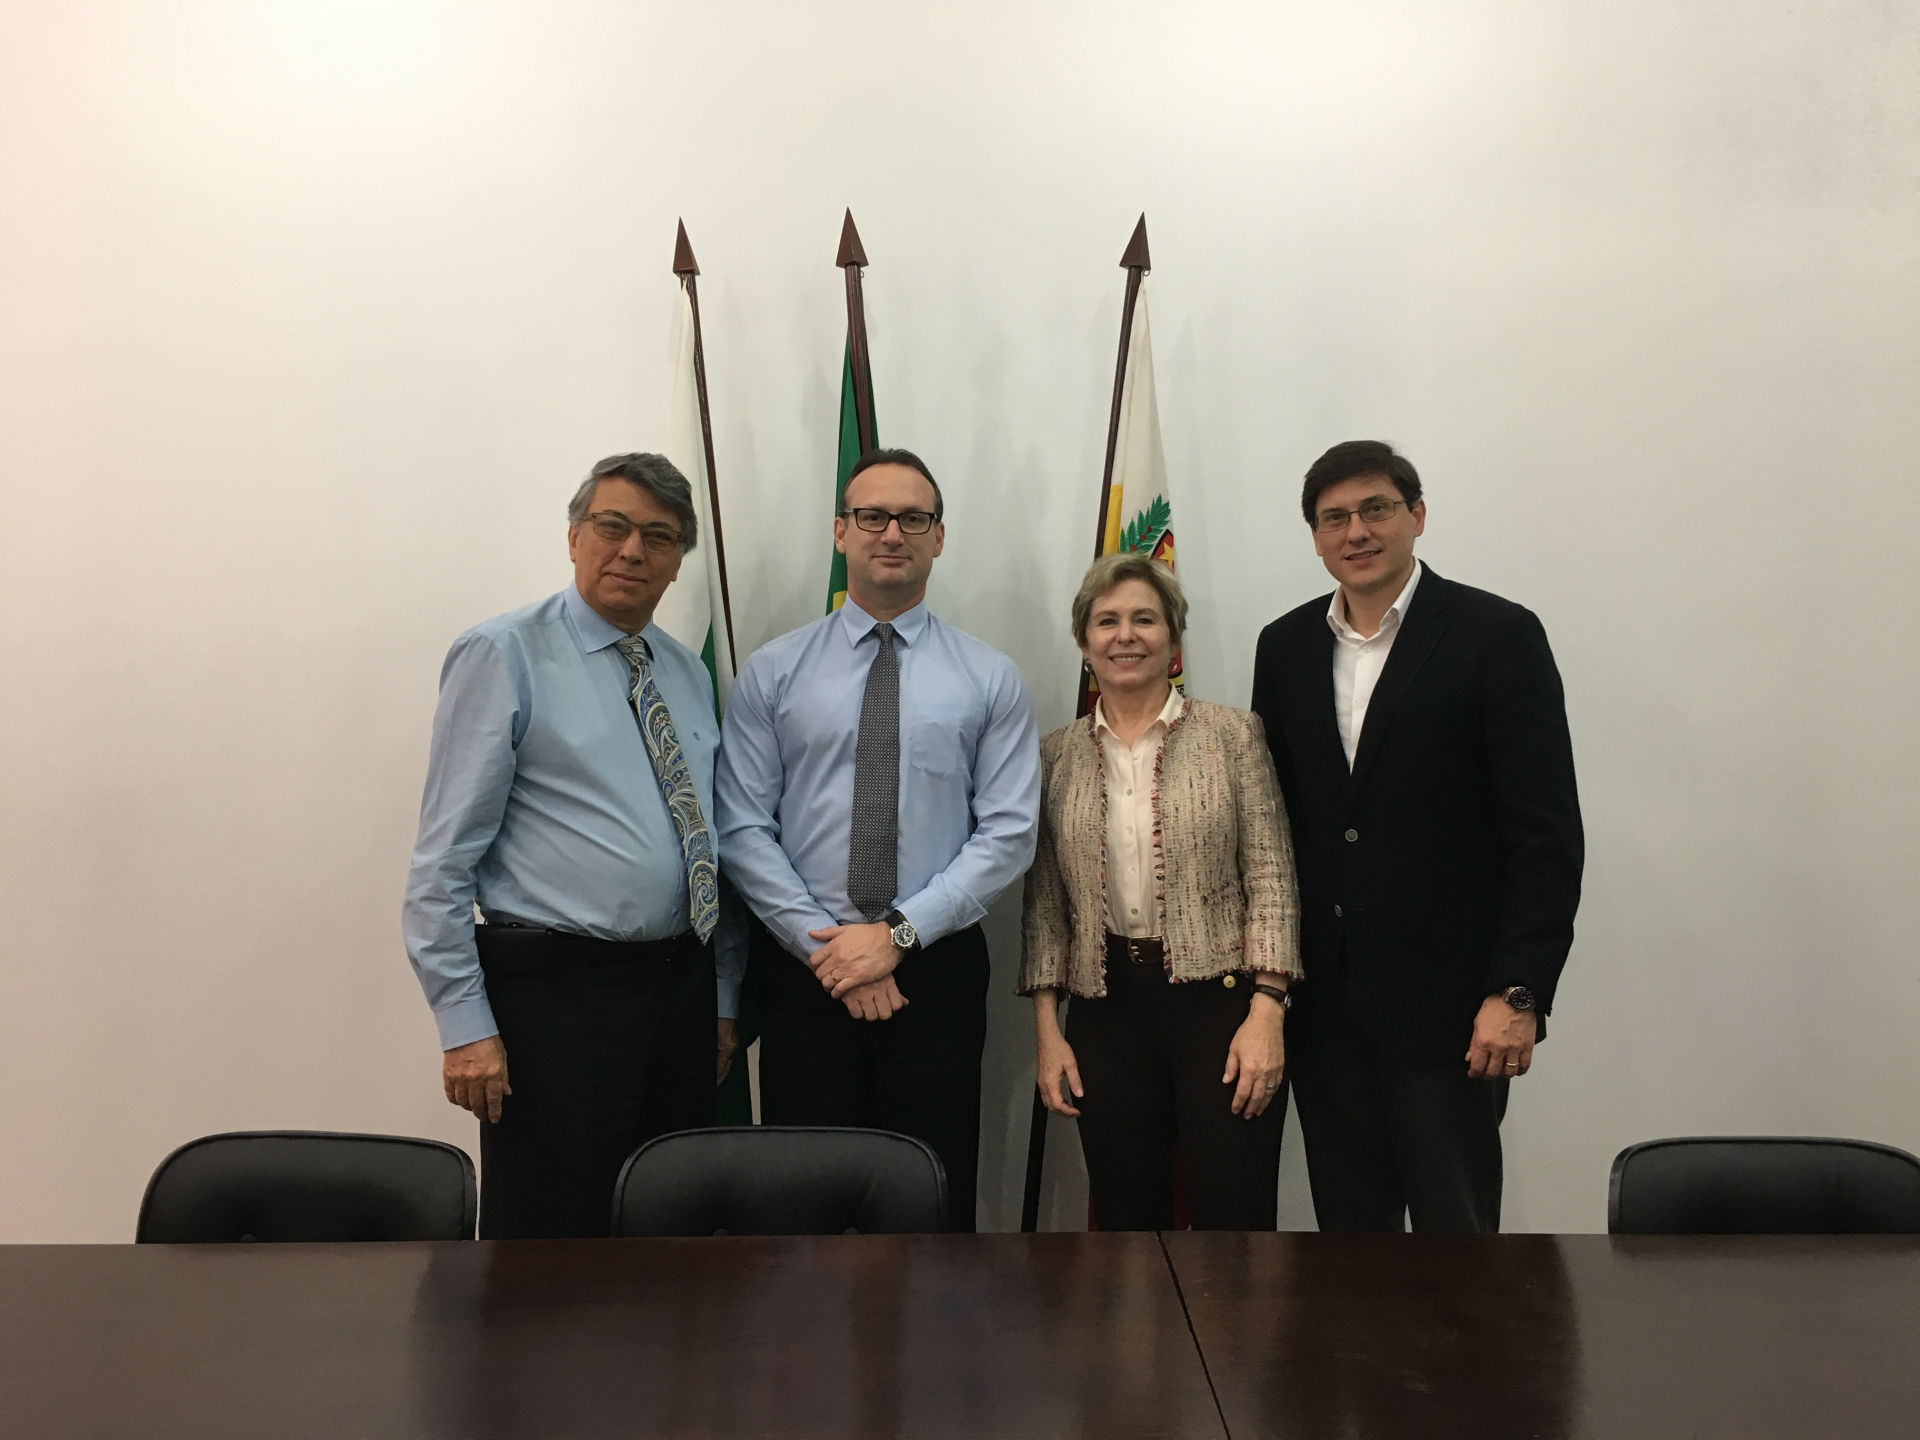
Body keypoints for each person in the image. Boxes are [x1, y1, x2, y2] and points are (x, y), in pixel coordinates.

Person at [402, 453, 746, 1239]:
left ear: (678, 562)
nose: (632, 550)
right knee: (552, 1244)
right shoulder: (503, 654)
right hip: (556, 1002)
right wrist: (464, 1024)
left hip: (679, 995)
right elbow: (442, 863)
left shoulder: (685, 673)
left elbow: (710, 845)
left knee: (670, 1227)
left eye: (658, 536)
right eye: (612, 526)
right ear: (573, 537)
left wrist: (722, 1001)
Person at [1249, 439, 1583, 1233]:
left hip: (1453, 1015)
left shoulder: (1497, 635)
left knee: (1455, 1251)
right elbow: (1276, 827)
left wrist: (1518, 991)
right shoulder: (1285, 646)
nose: (1357, 531)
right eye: (1334, 518)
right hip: (1327, 1015)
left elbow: (1545, 834)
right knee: (1350, 1250)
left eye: (1376, 509)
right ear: (1315, 537)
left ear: (1418, 515)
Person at [715, 447, 1040, 1232]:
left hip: (934, 972)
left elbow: (1008, 832)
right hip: (807, 972)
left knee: (930, 1202)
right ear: (841, 531)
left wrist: (894, 936)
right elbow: (741, 827)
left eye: (913, 518)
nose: (892, 533)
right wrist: (830, 951)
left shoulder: (990, 676)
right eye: (872, 516)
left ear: (938, 537)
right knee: (798, 1214)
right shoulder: (773, 672)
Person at [1020, 553, 1301, 1230]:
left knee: (1233, 1217)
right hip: (1106, 1012)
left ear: (1173, 639)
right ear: (1084, 642)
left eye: (1144, 619)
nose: (1126, 635)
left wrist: (1268, 1012)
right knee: (1126, 1226)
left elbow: (1272, 877)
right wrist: (1048, 1034)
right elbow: (1047, 906)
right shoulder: (1054, 755)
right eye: (1107, 621)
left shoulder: (1233, 736)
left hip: (1222, 1011)